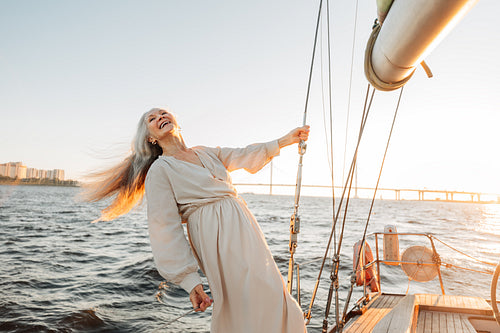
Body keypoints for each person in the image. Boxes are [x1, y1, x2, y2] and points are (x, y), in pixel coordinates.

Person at [85, 107, 310, 332]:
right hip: (213, 233)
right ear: (150, 138)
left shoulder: (205, 152)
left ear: (176, 120)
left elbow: (243, 154)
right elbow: (164, 228)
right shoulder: (160, 170)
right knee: (245, 297)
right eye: (152, 119)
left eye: (163, 113)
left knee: (271, 287)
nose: (160, 117)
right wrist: (190, 281)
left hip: (243, 223)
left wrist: (285, 140)